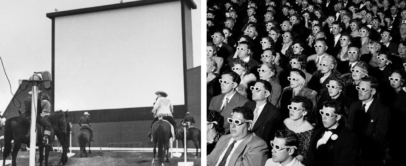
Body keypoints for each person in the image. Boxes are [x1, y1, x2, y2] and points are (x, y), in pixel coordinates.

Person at [347, 76, 390, 166]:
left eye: (363, 89)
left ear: (373, 92)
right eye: (358, 88)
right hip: (351, 148)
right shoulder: (354, 105)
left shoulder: (382, 110)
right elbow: (349, 127)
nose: (359, 91)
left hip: (368, 152)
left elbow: (379, 137)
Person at [305, 100, 359, 166]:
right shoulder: (316, 132)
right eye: (322, 113)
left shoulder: (349, 137)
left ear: (338, 117)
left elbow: (346, 163)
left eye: (327, 114)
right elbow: (309, 159)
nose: (323, 117)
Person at [244, 80, 282, 148]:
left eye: (257, 89)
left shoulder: (274, 113)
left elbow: (267, 137)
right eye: (252, 88)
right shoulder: (248, 105)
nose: (253, 91)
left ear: (266, 94)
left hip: (259, 147)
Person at [282, 96, 314, 162]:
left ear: (304, 112)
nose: (291, 111)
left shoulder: (309, 131)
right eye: (290, 107)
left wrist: (287, 163)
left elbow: (303, 154)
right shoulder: (286, 122)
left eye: (295, 108)